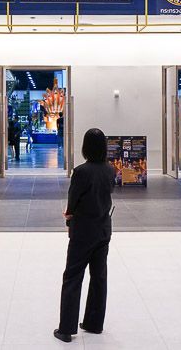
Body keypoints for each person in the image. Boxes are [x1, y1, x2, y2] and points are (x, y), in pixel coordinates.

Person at [55, 128, 116, 343]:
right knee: (99, 276)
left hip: (83, 231)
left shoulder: (81, 171)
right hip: (103, 228)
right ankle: (94, 323)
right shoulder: (110, 170)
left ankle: (66, 328)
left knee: (73, 276)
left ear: (85, 147)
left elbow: (73, 199)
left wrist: (69, 215)